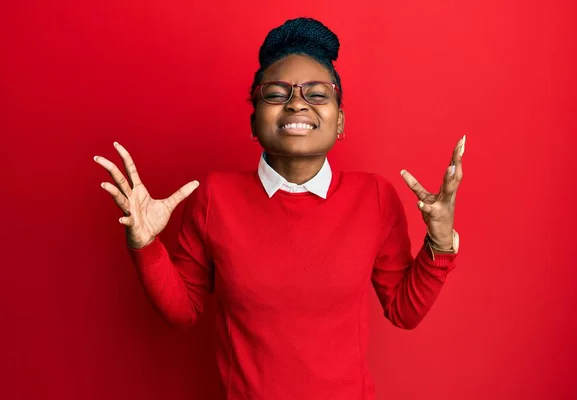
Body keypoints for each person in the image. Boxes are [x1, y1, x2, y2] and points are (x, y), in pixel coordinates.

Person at [93, 17, 465, 400]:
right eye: (276, 93)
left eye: (318, 94)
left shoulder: (374, 196)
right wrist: (145, 245)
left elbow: (404, 311)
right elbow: (182, 311)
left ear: (340, 121)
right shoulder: (214, 197)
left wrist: (439, 243)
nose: (297, 103)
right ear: (254, 121)